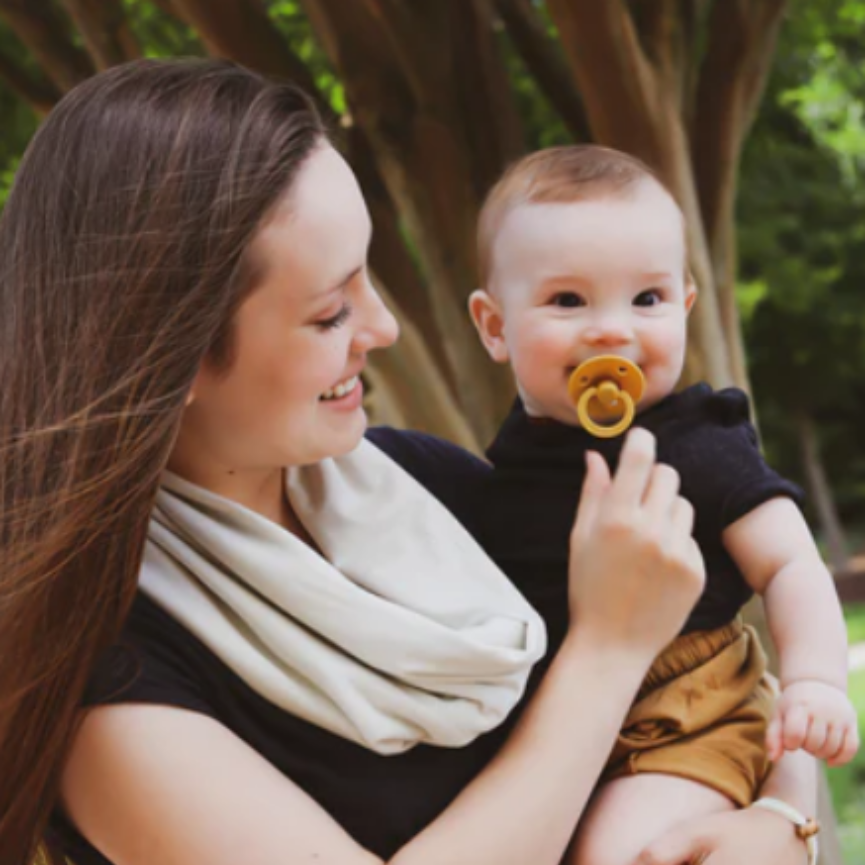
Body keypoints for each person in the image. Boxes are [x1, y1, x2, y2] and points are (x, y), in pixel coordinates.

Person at [0, 59, 816, 865]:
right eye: (329, 312)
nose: (383, 326)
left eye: (370, 275)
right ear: (164, 358)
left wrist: (783, 813)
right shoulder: (104, 687)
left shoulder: (426, 484)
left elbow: (720, 665)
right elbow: (624, 659)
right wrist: (606, 649)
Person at [467, 144, 856, 865]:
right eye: (567, 300)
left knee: (621, 854)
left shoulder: (697, 443)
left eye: (644, 299)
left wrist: (813, 681)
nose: (612, 328)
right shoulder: (501, 467)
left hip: (691, 708)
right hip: (564, 720)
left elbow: (788, 560)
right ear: (494, 327)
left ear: (682, 304)